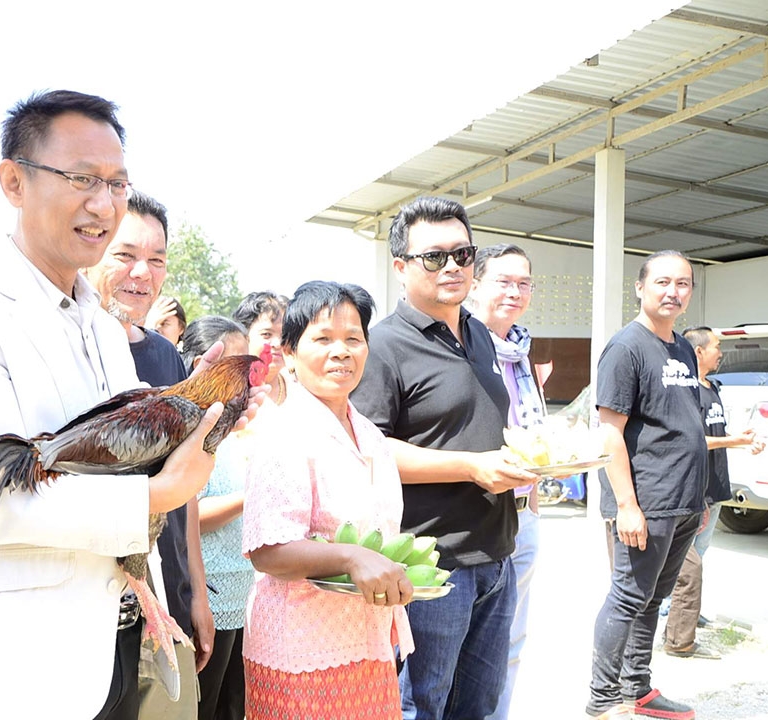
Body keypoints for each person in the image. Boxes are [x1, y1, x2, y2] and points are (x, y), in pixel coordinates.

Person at [0, 90, 253, 720]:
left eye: (117, 183)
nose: (104, 203)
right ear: (14, 180)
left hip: (117, 652)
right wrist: (160, 495)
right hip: (17, 671)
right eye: (82, 179)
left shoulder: (103, 328)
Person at [351, 196, 538, 720]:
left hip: (497, 553)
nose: (453, 267)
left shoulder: (478, 333)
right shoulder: (383, 345)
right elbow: (370, 449)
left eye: (463, 254)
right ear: (401, 267)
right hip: (433, 565)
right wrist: (471, 467)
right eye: (434, 257)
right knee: (421, 705)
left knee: (478, 705)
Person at [244, 280, 415, 720]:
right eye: (322, 339)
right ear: (288, 353)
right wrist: (352, 559)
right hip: (302, 650)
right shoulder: (284, 430)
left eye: (353, 339)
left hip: (369, 642)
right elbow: (268, 551)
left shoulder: (371, 435)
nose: (341, 351)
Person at [82, 189, 213, 719]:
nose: (142, 272)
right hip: (87, 602)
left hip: (165, 597)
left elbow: (186, 490)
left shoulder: (165, 357)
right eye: (125, 254)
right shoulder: (72, 345)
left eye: (156, 260)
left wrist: (196, 593)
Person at [585, 250, 708, 720]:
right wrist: (627, 506)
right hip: (647, 500)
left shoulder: (681, 347)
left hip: (683, 501)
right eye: (662, 282)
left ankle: (637, 689)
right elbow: (610, 431)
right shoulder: (626, 347)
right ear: (640, 287)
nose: (672, 291)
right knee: (628, 597)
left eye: (682, 283)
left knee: (654, 600)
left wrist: (701, 500)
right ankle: (601, 699)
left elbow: (683, 425)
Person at [467, 244, 545, 720]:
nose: (514, 292)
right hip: (473, 515)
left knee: (511, 640)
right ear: (475, 285)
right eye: (503, 281)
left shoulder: (520, 349)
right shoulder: (464, 345)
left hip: (523, 514)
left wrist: (535, 499)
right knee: (461, 650)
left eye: (523, 283)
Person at [661, 326, 764, 660]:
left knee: (698, 556)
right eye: (717, 346)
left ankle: (686, 611)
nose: (722, 352)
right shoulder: (688, 392)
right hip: (696, 489)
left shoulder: (712, 387)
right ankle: (671, 618)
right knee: (683, 560)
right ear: (700, 351)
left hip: (716, 485)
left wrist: (740, 438)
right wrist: (732, 441)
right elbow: (692, 440)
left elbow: (714, 432)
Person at [180, 316, 251, 720]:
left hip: (238, 596)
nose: (244, 375)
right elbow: (190, 512)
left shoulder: (230, 428)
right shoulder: (193, 431)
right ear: (200, 364)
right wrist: (248, 496)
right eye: (234, 363)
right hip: (210, 597)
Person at [233, 291, 287, 393]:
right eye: (267, 334)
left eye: (284, 336)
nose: (278, 344)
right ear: (244, 337)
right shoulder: (230, 391)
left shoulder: (303, 389)